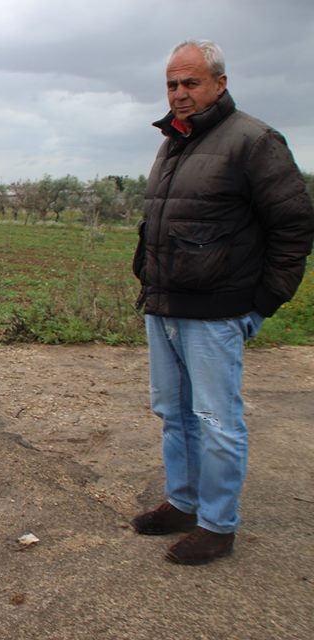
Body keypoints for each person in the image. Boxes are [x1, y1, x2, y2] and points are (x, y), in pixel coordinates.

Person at [131, 39, 314, 565]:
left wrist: (264, 300)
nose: (180, 93)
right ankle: (183, 503)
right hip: (166, 306)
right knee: (174, 413)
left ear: (219, 84)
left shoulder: (254, 141)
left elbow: (294, 225)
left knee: (215, 419)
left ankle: (217, 524)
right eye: (172, 84)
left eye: (190, 83)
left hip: (218, 312)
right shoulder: (173, 141)